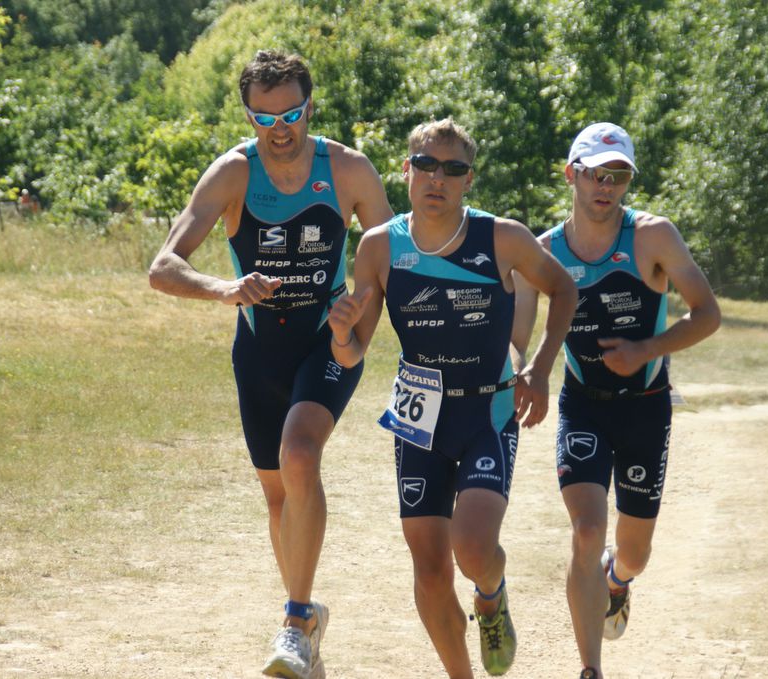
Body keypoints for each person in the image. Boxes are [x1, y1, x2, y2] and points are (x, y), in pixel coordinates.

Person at [148, 50, 392, 679]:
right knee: (279, 496)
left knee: (301, 452)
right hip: (258, 350)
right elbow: (164, 267)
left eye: (292, 113)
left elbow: (394, 255)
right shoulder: (232, 174)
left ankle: (293, 618)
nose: (280, 128)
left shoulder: (348, 170)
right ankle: (308, 621)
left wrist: (357, 324)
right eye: (265, 117)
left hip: (327, 341)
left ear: (311, 107)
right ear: (248, 114)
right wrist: (222, 289)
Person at [328, 118, 577, 678]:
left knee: (472, 548)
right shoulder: (377, 247)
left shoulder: (502, 238)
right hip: (420, 415)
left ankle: (491, 595)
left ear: (469, 180)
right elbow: (351, 355)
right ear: (406, 170)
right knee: (430, 567)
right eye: (425, 164)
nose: (437, 178)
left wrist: (537, 368)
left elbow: (565, 288)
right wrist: (342, 332)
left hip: (487, 409)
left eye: (453, 168)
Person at [514, 122, 721, 679]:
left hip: (646, 406)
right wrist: (523, 373)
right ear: (571, 175)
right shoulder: (544, 251)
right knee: (586, 530)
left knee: (634, 553)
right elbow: (519, 335)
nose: (606, 186)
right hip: (583, 403)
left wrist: (646, 348)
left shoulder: (653, 237)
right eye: (594, 173)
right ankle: (590, 670)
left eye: (618, 176)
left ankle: (618, 581)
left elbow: (708, 313)